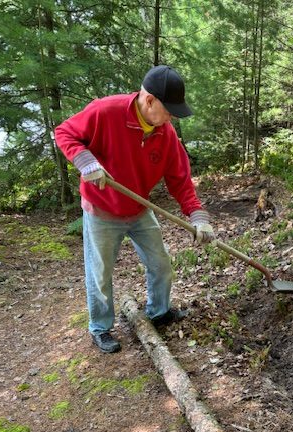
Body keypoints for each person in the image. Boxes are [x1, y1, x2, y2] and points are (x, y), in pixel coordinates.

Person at [54, 65, 214, 353]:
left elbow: (181, 181)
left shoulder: (165, 135)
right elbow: (65, 133)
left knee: (160, 264)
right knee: (100, 274)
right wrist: (86, 162)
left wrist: (197, 216)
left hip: (140, 209)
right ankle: (101, 328)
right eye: (169, 110)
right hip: (101, 210)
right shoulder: (106, 112)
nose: (172, 118)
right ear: (150, 100)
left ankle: (159, 312)